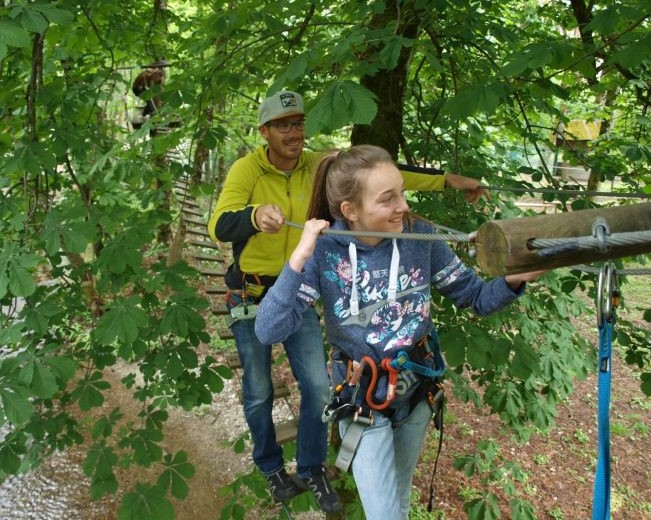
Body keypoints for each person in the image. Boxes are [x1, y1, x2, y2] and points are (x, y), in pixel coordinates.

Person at [207, 91, 489, 513]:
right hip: (253, 289)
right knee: (260, 390)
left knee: (319, 386)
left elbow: (385, 180)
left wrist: (448, 179)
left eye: (299, 122)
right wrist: (253, 215)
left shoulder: (320, 164)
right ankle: (270, 466)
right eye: (283, 125)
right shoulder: (247, 169)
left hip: (301, 284)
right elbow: (219, 224)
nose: (294, 132)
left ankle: (311, 466)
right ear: (264, 132)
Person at [253, 145, 546, 520]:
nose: (403, 205)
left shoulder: (420, 239)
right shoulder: (325, 254)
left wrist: (516, 279)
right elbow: (268, 329)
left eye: (402, 192)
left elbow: (475, 296)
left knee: (399, 504)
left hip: (416, 392)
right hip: (361, 402)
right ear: (350, 211)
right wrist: (298, 258)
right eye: (388, 199)